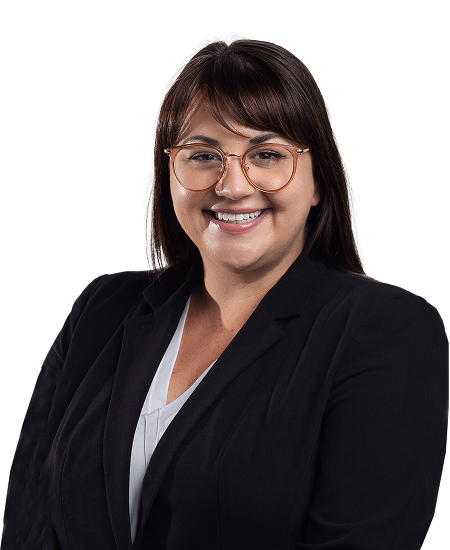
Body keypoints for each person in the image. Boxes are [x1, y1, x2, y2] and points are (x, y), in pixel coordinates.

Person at [2, 34, 447, 550]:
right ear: (169, 176)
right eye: (203, 155)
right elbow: (27, 523)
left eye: (267, 154)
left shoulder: (385, 331)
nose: (232, 186)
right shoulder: (102, 308)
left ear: (319, 181)